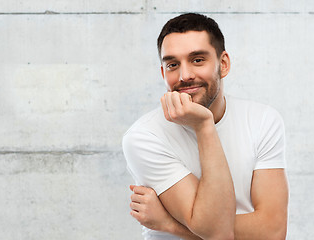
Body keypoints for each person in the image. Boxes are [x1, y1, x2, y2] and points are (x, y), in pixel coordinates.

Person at [122, 13, 288, 240]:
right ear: (163, 73)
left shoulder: (263, 120)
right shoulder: (144, 137)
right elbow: (217, 231)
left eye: (197, 60)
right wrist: (204, 126)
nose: (185, 75)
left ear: (223, 64)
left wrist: (169, 224)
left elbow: (272, 232)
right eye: (172, 64)